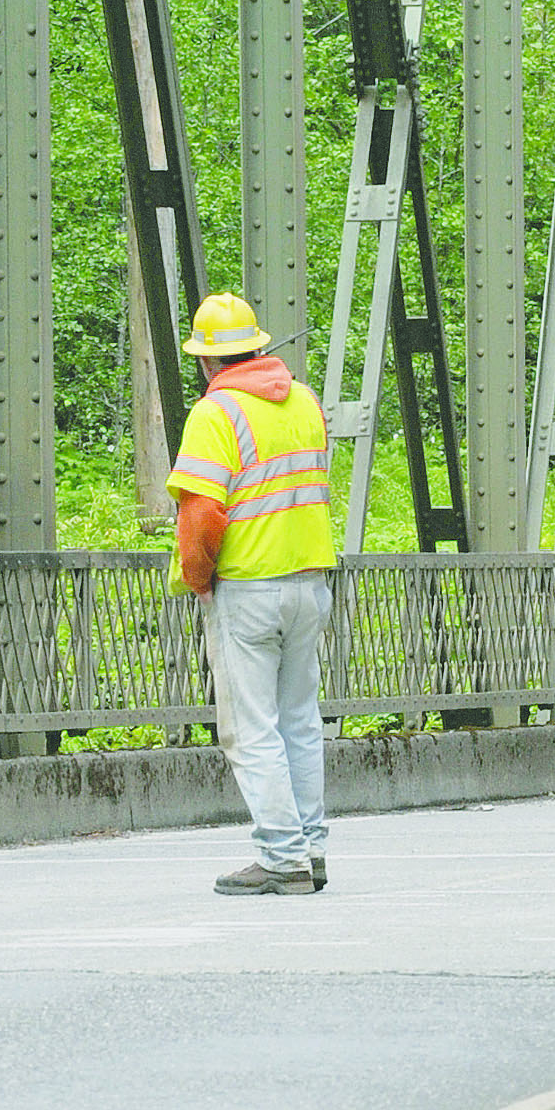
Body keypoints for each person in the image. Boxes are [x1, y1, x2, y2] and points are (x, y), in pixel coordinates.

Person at [167, 291, 337, 898]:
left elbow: (203, 513)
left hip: (247, 587)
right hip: (309, 582)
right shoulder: (305, 403)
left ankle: (281, 856)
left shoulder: (215, 415)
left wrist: (196, 578)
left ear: (209, 363)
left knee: (250, 727)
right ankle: (310, 850)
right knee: (299, 721)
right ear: (260, 348)